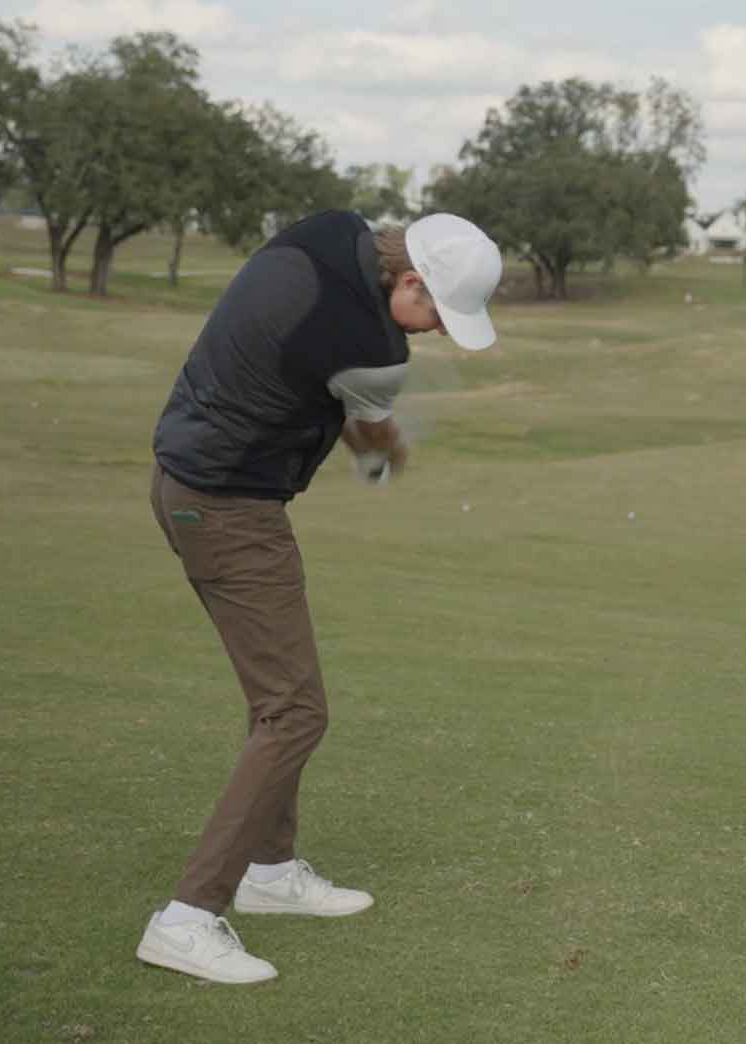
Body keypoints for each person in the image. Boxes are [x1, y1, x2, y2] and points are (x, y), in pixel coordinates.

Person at [136, 210, 503, 984]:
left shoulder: (327, 231)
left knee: (276, 696)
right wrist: (386, 454)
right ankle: (188, 918)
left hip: (185, 480)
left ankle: (269, 873)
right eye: (436, 310)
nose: (435, 329)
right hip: (229, 507)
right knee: (296, 711)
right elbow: (369, 432)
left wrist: (357, 426)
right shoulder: (375, 350)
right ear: (408, 281)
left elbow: (314, 359)